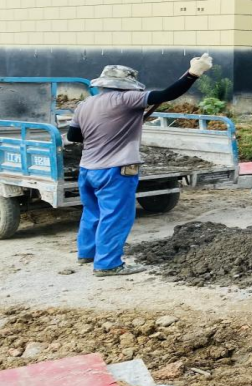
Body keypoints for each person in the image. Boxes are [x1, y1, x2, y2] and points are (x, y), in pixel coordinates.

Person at [67, 56, 214, 277]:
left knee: (93, 211)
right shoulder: (125, 100)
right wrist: (194, 73)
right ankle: (107, 265)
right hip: (115, 170)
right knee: (115, 216)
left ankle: (87, 253)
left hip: (88, 169)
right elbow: (166, 95)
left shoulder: (85, 104)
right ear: (127, 87)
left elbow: (74, 135)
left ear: (101, 84)